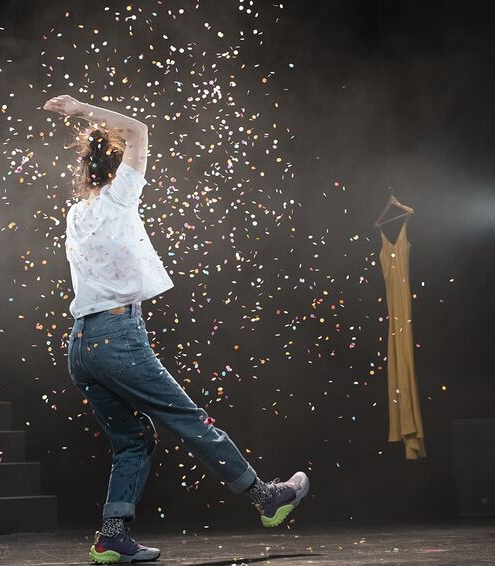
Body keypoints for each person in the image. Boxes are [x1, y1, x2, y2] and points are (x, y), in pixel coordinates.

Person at [44, 94, 310, 564]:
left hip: (80, 347)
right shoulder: (118, 199)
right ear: (117, 167)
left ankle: (112, 536)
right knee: (189, 420)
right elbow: (139, 130)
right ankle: (265, 498)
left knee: (133, 438)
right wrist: (82, 111)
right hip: (117, 337)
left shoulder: (77, 213)